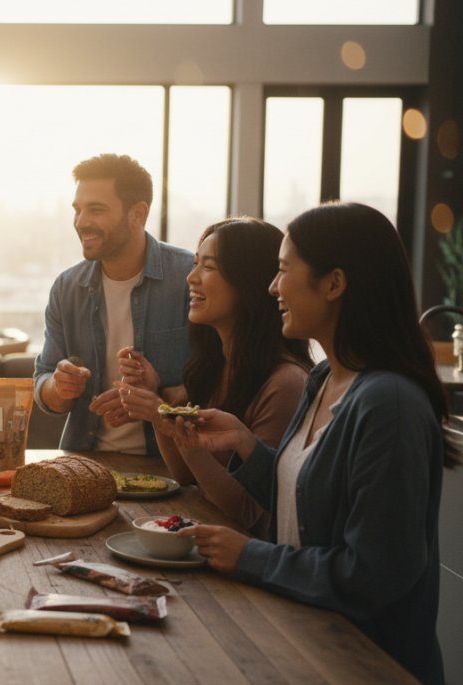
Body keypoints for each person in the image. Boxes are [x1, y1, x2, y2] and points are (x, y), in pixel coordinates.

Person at [174, 203, 450, 684]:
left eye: (283, 271)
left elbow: (373, 576)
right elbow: (303, 508)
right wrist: (245, 444)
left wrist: (249, 555)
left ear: (334, 284)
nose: (272, 287)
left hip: (366, 664)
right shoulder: (324, 377)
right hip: (300, 645)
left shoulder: (389, 404)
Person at [116, 218, 312, 535]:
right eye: (195, 264)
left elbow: (249, 511)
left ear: (247, 280)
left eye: (208, 267)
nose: (191, 278)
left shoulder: (285, 382)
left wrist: (166, 416)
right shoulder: (215, 364)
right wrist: (157, 407)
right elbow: (185, 475)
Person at [34, 153, 192, 456]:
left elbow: (222, 383)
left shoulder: (189, 278)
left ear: (138, 214)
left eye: (96, 210)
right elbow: (44, 385)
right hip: (84, 463)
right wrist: (59, 387)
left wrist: (154, 401)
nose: (81, 222)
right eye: (78, 210)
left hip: (172, 466)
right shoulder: (67, 288)